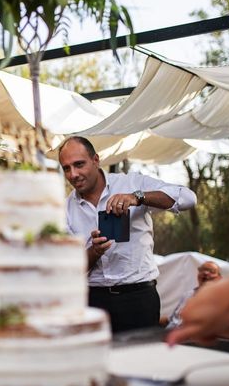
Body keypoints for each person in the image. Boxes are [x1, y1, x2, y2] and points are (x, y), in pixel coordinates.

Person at [58, 136, 197, 333]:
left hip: (138, 298)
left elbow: (188, 199)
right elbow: (71, 267)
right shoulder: (64, 210)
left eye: (79, 164)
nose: (73, 174)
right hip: (92, 301)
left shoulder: (132, 182)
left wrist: (138, 197)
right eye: (66, 168)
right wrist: (94, 251)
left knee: (141, 360)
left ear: (96, 160)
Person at [166, 260, 222, 328]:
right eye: (202, 269)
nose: (205, 273)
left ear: (219, 278)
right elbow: (172, 319)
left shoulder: (220, 300)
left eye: (211, 271)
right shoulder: (187, 295)